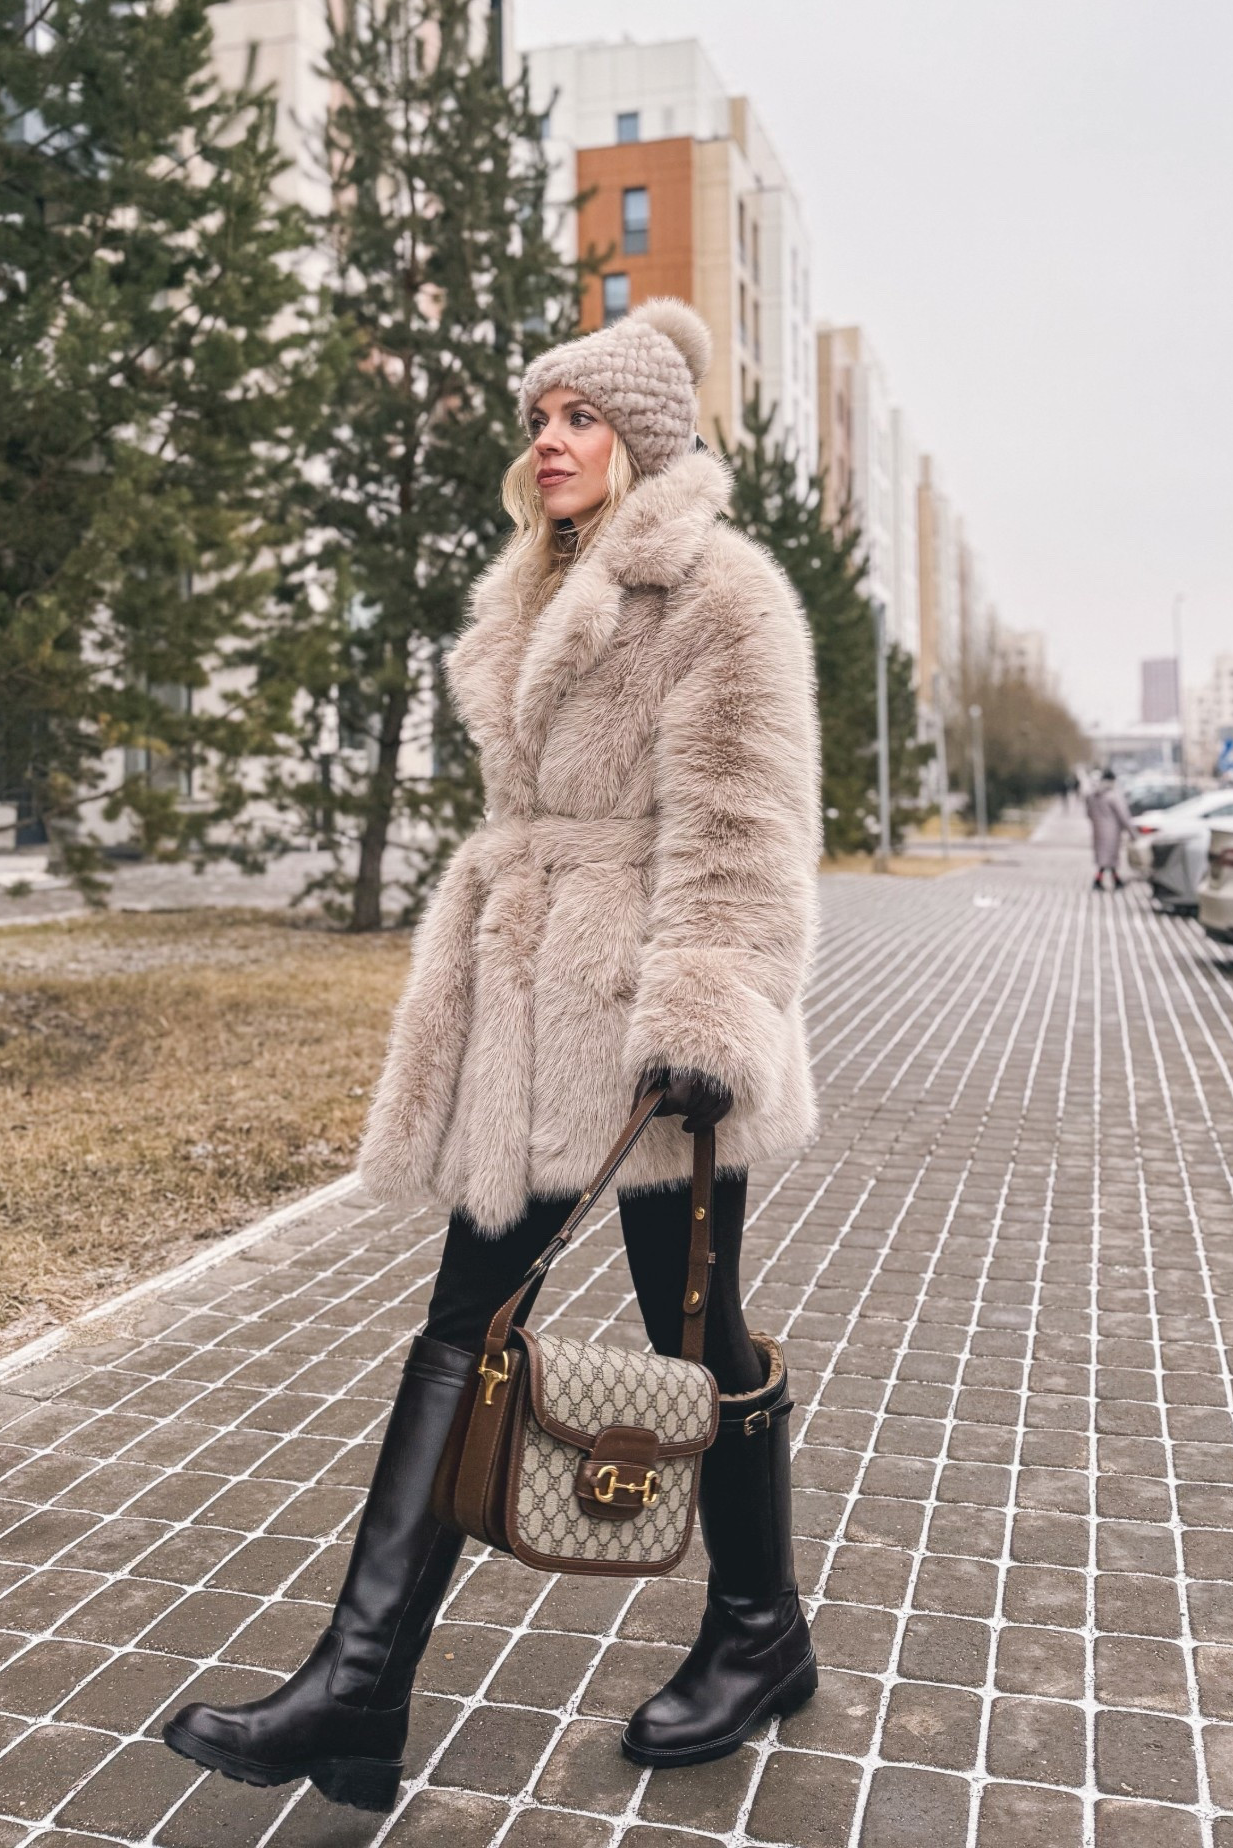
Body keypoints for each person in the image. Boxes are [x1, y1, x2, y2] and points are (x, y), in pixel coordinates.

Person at [162, 299, 823, 1809]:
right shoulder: (540, 585)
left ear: (640, 436)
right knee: (473, 1320)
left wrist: (705, 1015)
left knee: (694, 1334)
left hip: (649, 1024)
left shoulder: (721, 592)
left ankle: (753, 1628)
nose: (550, 438)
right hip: (534, 1011)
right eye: (541, 415)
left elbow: (747, 822)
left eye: (581, 415)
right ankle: (361, 1690)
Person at [1086, 767, 1135, 889]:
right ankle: (1105, 880)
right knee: (1111, 856)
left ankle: (1113, 879)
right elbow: (1123, 815)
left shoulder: (1092, 795)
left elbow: (1089, 813)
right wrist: (1132, 833)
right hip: (1112, 831)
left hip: (1098, 830)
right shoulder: (1113, 795)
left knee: (1104, 857)